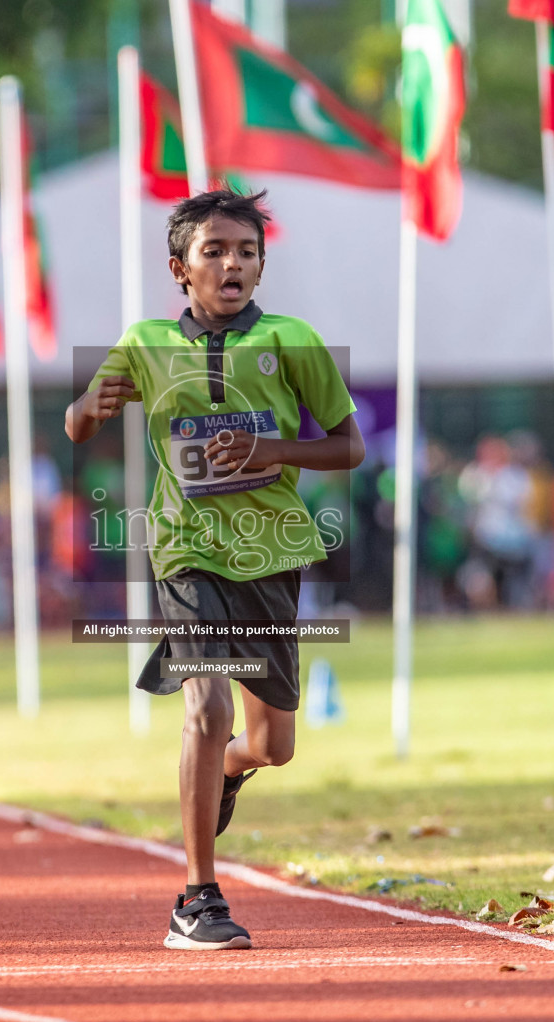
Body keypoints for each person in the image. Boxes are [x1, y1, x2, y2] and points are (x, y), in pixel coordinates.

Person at [65, 190, 365, 951]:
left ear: (262, 266)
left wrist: (275, 452)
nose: (232, 263)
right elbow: (77, 423)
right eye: (214, 251)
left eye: (247, 252)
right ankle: (197, 898)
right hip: (185, 550)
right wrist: (92, 406)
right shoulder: (146, 341)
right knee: (207, 711)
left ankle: (227, 772)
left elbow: (348, 445)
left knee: (273, 747)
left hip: (271, 554)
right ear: (180, 267)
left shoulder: (294, 340)